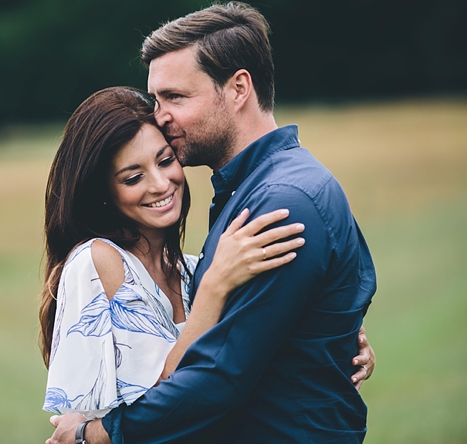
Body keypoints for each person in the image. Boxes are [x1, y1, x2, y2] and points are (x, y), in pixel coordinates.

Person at [48, 2, 377, 444]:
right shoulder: (265, 188)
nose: (160, 115)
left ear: (238, 88)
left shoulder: (280, 202)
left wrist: (97, 434)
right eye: (156, 98)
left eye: (175, 97)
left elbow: (217, 374)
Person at [40, 86, 310, 419]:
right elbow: (161, 405)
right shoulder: (98, 262)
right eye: (133, 177)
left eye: (165, 161)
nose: (160, 184)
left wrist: (343, 337)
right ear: (103, 193)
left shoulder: (189, 271)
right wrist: (214, 287)